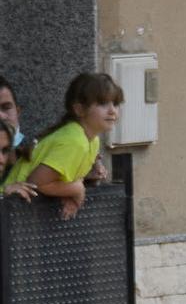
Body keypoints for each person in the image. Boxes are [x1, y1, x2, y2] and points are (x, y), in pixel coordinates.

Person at [3, 71, 122, 219]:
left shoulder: (92, 141)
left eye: (115, 103)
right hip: (9, 209)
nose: (112, 111)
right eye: (103, 103)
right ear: (79, 109)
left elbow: (60, 180)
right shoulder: (74, 140)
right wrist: (77, 189)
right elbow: (36, 183)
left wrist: (76, 185)